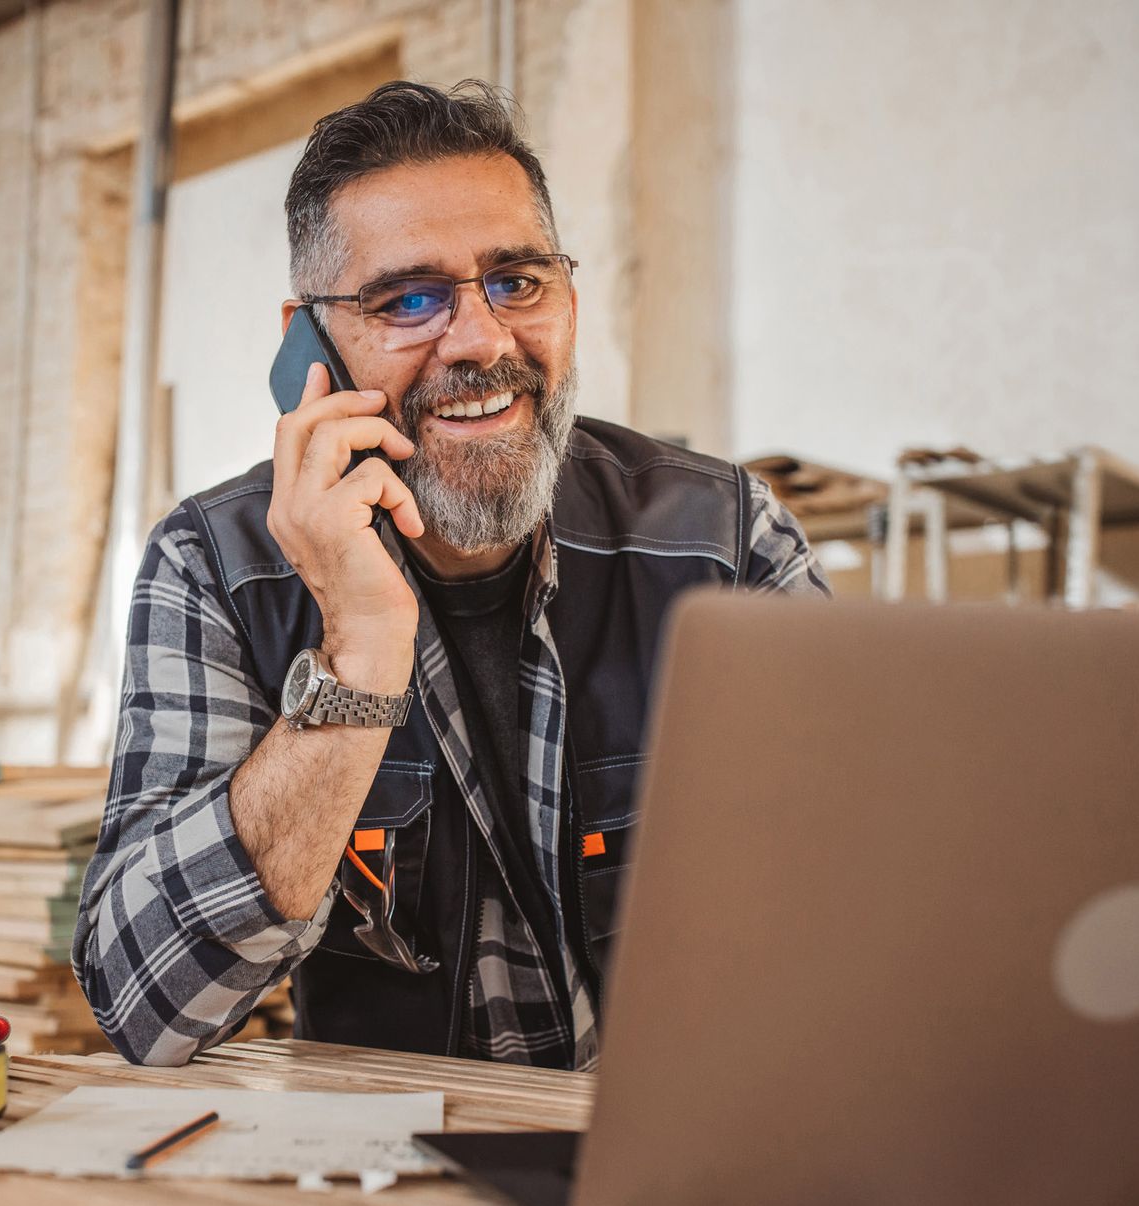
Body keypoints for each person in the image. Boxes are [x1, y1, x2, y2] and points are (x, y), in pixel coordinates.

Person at [73, 80, 829, 1069]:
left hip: (682, 1164)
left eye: (518, 281)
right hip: (393, 1194)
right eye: (408, 299)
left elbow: (860, 906)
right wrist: (359, 654)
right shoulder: (215, 566)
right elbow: (146, 1002)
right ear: (308, 345)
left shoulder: (724, 543)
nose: (481, 341)